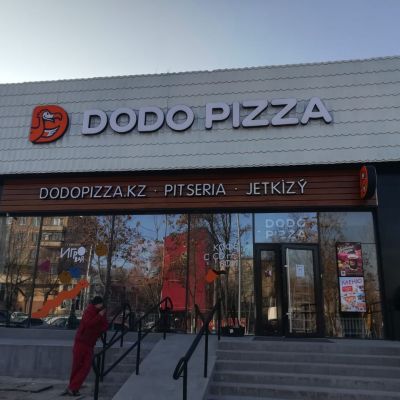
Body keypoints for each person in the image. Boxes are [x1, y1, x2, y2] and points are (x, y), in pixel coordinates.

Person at [63, 296, 108, 396]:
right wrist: (99, 317)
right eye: (100, 304)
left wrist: (99, 327)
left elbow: (105, 325)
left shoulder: (101, 312)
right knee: (77, 366)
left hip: (90, 343)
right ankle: (73, 387)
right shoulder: (89, 311)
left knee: (86, 367)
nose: (102, 306)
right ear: (97, 304)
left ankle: (73, 387)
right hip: (81, 342)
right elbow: (88, 324)